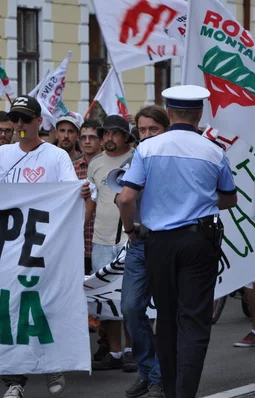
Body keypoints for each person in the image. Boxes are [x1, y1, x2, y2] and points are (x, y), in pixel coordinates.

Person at [0, 95, 91, 398]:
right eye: (15, 119)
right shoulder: (3, 154)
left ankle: (51, 362)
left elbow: (71, 192)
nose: (19, 125)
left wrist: (82, 192)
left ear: (37, 122)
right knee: (9, 307)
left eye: (24, 119)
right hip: (6, 245)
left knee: (42, 306)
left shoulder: (55, 157)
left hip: (43, 246)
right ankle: (14, 382)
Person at [117, 85, 237, 398]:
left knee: (167, 320)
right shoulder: (213, 150)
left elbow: (126, 198)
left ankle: (169, 390)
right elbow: (229, 199)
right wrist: (201, 200)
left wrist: (131, 230)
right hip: (200, 240)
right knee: (195, 321)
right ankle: (186, 392)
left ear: (169, 114)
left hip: (159, 243)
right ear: (199, 115)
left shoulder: (148, 149)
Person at [115, 105, 169, 398]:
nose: (146, 135)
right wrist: (130, 227)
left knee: (167, 313)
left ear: (165, 129)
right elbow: (124, 198)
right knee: (131, 308)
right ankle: (147, 371)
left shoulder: (171, 157)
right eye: (142, 130)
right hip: (139, 242)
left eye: (153, 129)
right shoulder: (136, 156)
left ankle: (159, 375)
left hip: (167, 242)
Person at [87, 115, 136, 372]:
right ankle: (115, 352)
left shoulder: (137, 158)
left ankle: (131, 350)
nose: (109, 138)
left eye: (116, 133)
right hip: (102, 239)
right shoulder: (95, 163)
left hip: (130, 238)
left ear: (126, 136)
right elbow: (92, 200)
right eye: (106, 133)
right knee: (106, 300)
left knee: (130, 299)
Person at [73, 119, 103, 275]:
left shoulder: (110, 167)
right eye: (83, 137)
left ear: (101, 139)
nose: (87, 141)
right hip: (77, 243)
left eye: (92, 137)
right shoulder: (71, 168)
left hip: (104, 241)